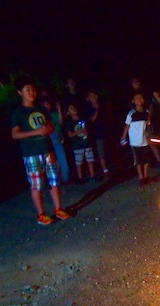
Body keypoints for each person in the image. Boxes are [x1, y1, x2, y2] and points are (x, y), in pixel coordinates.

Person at [11, 77, 70, 225]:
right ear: (20, 92)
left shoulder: (41, 109)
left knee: (54, 179)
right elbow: (15, 134)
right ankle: (41, 214)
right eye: (27, 90)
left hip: (47, 149)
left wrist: (48, 129)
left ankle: (58, 209)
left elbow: (50, 126)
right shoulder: (18, 112)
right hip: (31, 153)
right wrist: (37, 132)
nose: (31, 93)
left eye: (33, 89)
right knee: (36, 183)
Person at [121, 93, 152, 186]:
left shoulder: (146, 112)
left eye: (140, 98)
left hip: (144, 140)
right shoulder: (131, 113)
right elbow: (127, 126)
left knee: (145, 160)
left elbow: (146, 125)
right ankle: (141, 177)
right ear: (133, 101)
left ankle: (146, 176)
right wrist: (123, 137)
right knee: (138, 161)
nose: (139, 99)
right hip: (134, 141)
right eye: (136, 98)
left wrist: (147, 134)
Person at [40, 96, 69, 184]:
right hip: (46, 141)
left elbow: (60, 122)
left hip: (57, 139)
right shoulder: (40, 116)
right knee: (49, 163)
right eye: (44, 104)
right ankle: (52, 181)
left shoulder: (53, 114)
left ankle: (65, 180)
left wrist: (59, 108)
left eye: (47, 103)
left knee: (62, 161)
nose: (46, 105)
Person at [65, 103, 96, 183]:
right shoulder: (70, 123)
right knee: (79, 162)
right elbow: (70, 135)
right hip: (77, 145)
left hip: (86, 143)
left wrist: (87, 133)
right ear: (68, 112)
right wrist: (79, 131)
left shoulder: (83, 119)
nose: (74, 109)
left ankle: (92, 176)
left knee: (90, 160)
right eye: (71, 108)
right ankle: (80, 178)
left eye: (74, 107)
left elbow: (89, 129)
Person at [86, 92, 110, 177]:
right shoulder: (89, 109)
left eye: (94, 95)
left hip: (106, 131)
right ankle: (105, 169)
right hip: (97, 133)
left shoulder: (102, 105)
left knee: (111, 149)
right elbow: (91, 120)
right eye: (90, 96)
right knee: (101, 152)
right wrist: (96, 110)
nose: (93, 97)